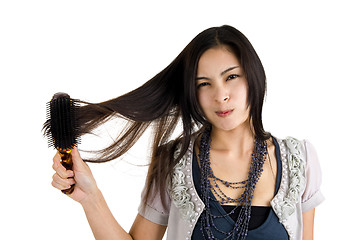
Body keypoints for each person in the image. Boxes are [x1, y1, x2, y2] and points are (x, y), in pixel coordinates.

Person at [51, 25, 324, 240]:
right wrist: (91, 198)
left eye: (231, 77)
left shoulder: (298, 160)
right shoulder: (174, 160)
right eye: (204, 84)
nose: (221, 96)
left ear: (254, 77)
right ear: (192, 94)